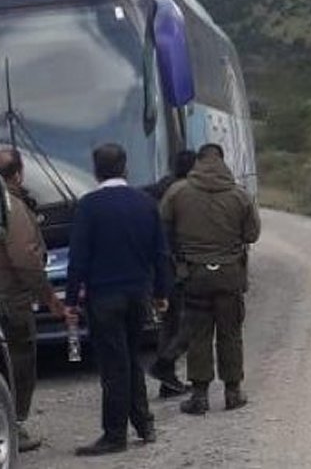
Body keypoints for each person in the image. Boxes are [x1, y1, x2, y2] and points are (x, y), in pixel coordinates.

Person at [65, 143, 172, 456]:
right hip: (139, 295)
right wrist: (161, 293)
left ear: (96, 171)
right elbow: (161, 252)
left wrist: (71, 300)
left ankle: (114, 435)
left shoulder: (89, 206)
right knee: (131, 358)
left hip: (104, 297)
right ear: (125, 168)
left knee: (114, 366)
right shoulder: (146, 203)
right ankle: (145, 424)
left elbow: (79, 258)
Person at [154, 143, 260, 415]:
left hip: (194, 275)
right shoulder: (240, 196)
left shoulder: (177, 193)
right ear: (223, 162)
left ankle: (199, 396)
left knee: (199, 334)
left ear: (198, 162)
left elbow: (163, 229)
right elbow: (251, 235)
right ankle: (233, 392)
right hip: (230, 275)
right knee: (231, 333)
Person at [0, 149, 67, 452]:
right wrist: (49, 297)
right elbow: (25, 259)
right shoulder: (9, 207)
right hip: (11, 299)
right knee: (20, 364)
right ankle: (13, 425)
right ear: (18, 175)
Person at [142, 149, 198, 398]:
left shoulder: (159, 189)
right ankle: (164, 365)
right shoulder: (184, 194)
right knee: (189, 322)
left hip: (159, 267)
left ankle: (169, 381)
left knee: (170, 323)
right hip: (178, 267)